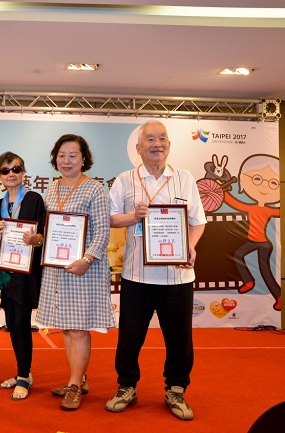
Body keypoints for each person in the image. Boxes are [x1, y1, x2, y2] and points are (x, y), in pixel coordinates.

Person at [106, 120, 206, 421]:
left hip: (177, 276)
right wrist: (132, 216)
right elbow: (111, 219)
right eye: (150, 139)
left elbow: (197, 221)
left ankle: (176, 388)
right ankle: (126, 387)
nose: (157, 143)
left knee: (179, 337)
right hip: (137, 275)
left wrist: (190, 245)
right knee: (130, 336)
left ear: (169, 145)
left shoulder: (185, 178)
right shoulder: (125, 180)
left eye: (162, 138)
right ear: (138, 148)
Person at [37, 134, 115, 410]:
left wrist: (87, 259)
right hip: (57, 269)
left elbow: (103, 232)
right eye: (61, 155)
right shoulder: (51, 188)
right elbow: (47, 229)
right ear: (55, 158)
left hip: (84, 269)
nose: (66, 160)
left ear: (84, 159)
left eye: (73, 155)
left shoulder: (95, 189)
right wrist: (36, 239)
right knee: (68, 328)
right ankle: (78, 379)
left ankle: (74, 386)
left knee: (79, 329)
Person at [0, 151, 46, 401]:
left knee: (22, 325)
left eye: (16, 169)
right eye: (5, 171)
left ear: (23, 173)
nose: (11, 174)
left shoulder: (34, 199)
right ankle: (21, 372)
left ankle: (24, 376)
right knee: (13, 325)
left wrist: (37, 239)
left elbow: (45, 234)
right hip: (6, 273)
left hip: (26, 273)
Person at [222, 154, 281, 311]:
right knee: (238, 255)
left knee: (265, 270)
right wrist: (223, 192)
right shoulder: (251, 207)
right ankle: (249, 281)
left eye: (273, 183)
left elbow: (279, 212)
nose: (263, 187)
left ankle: (278, 296)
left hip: (263, 244)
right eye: (257, 180)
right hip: (254, 241)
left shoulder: (268, 209)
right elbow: (235, 203)